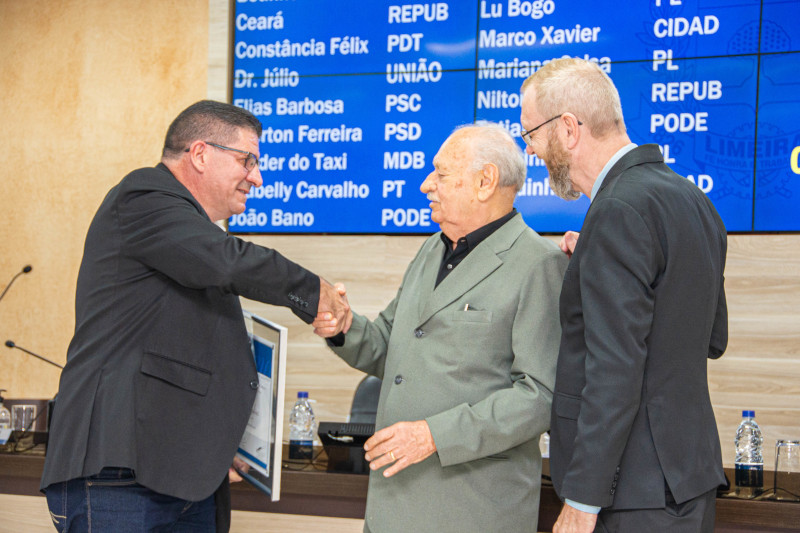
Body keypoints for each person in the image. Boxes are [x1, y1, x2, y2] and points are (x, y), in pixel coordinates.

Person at [40, 100, 350, 532]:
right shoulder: (143, 196)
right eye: (248, 161)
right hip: (119, 476)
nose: (257, 177)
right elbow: (228, 262)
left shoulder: (188, 236)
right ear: (201, 154)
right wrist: (312, 289)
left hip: (180, 477)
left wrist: (212, 443)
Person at [313, 122, 568, 533]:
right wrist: (342, 326)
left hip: (470, 509)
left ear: (485, 182)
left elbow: (539, 396)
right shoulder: (433, 248)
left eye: (441, 174)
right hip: (392, 505)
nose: (426, 184)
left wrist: (434, 435)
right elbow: (387, 345)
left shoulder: (540, 265)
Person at [520, 58, 728, 532]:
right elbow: (712, 336)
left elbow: (614, 369)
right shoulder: (693, 200)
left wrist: (584, 499)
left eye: (531, 133)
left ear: (568, 128)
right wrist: (594, 268)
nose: (532, 151)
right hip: (687, 481)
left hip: (631, 492)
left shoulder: (616, 211)